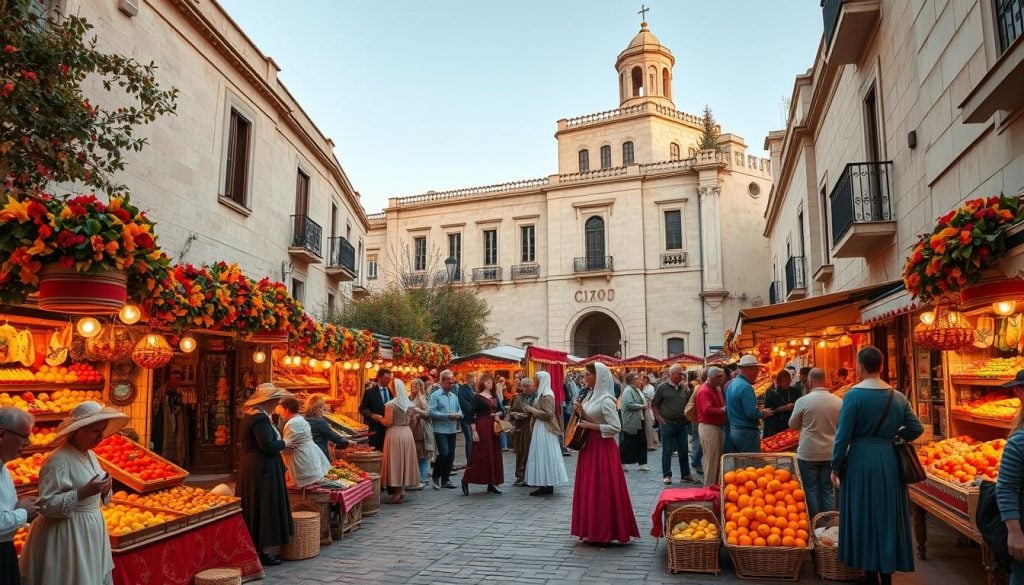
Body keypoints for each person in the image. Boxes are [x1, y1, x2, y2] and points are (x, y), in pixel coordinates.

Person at [831, 346, 923, 585]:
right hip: (889, 460)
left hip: (861, 461)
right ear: (881, 366)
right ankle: (887, 574)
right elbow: (916, 429)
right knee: (887, 515)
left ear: (860, 366)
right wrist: (895, 437)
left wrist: (835, 466)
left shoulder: (853, 396)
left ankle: (869, 574)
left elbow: (843, 437)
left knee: (864, 514)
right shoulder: (898, 396)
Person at [19, 402, 126, 584]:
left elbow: (97, 494)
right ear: (78, 431)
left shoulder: (90, 455)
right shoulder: (59, 461)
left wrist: (104, 489)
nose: (100, 437)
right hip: (67, 534)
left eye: (102, 430)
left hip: (89, 531)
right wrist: (82, 493)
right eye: (95, 431)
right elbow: (45, 505)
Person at [570, 363, 640, 544]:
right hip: (590, 446)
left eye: (588, 375)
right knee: (590, 487)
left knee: (602, 488)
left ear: (598, 377)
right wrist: (581, 412)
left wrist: (590, 425)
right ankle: (591, 529)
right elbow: (591, 418)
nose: (585, 378)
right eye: (584, 375)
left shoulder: (607, 400)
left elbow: (616, 427)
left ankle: (604, 531)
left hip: (602, 448)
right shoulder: (591, 396)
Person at [237, 383, 293, 566]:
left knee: (257, 506)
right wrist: (285, 443)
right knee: (264, 507)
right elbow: (267, 446)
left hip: (255, 467)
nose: (278, 403)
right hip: (261, 469)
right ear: (268, 400)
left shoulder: (253, 415)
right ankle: (264, 551)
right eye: (276, 399)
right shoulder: (259, 418)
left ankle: (258, 547)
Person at [789, 368, 841, 519]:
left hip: (808, 452)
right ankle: (827, 522)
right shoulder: (838, 401)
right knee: (827, 488)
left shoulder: (803, 401)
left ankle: (814, 522)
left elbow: (793, 425)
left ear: (810, 382)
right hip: (830, 451)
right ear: (826, 381)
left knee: (810, 489)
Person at [0, 408, 36, 585]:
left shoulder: (3, 468)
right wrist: (23, 512)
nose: (28, 442)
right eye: (24, 436)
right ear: (2, 435)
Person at [997, 370, 1024, 584]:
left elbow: (1005, 487)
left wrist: (1015, 533)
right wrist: (1015, 533)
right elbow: (1006, 488)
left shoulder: (1018, 441)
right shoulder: (1018, 441)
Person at [524, 371, 569, 495]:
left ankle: (547, 484)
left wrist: (532, 409)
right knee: (543, 454)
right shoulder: (543, 394)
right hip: (541, 427)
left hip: (545, 428)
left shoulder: (546, 395)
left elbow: (548, 415)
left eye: (536, 380)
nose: (534, 382)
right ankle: (545, 483)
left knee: (544, 454)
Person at [652, 364, 697, 484]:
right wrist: (660, 419)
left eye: (682, 374)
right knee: (667, 450)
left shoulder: (684, 388)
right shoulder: (662, 387)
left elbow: (689, 403)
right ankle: (667, 475)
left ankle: (685, 474)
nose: (682, 376)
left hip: (682, 424)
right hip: (668, 423)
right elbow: (654, 404)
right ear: (671, 375)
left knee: (683, 450)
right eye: (679, 374)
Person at [461, 374, 504, 495]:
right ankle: (466, 479)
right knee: (481, 455)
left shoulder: (495, 396)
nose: (490, 383)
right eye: (487, 381)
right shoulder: (477, 397)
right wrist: (474, 431)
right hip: (482, 427)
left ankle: (492, 483)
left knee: (493, 455)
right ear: (483, 383)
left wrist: (498, 414)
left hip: (494, 428)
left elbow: (502, 411)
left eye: (491, 381)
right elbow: (471, 415)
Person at [380, 379, 420, 504]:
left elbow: (388, 422)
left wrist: (378, 418)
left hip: (395, 434)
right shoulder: (410, 404)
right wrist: (408, 431)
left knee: (395, 462)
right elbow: (414, 421)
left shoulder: (391, 405)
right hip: (406, 433)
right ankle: (401, 490)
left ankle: (397, 492)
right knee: (404, 461)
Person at [277, 397, 331, 488]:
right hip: (308, 453)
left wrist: (280, 450)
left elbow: (289, 446)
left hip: (300, 456)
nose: (281, 414)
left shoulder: (292, 423)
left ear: (286, 410)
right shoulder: (301, 420)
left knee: (301, 485)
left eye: (281, 410)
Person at [726, 355, 773, 453]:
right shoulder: (746, 387)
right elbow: (751, 413)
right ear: (748, 370)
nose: (758, 373)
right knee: (751, 464)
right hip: (747, 433)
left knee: (741, 464)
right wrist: (763, 413)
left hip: (735, 431)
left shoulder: (732, 384)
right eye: (756, 370)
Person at [428, 370, 462, 489]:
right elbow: (431, 412)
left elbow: (460, 410)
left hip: (452, 429)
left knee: (451, 455)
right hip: (440, 429)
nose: (451, 385)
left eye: (452, 382)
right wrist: (447, 415)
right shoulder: (435, 395)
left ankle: (446, 480)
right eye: (449, 382)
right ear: (442, 381)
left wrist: (459, 415)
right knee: (444, 453)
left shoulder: (454, 396)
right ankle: (436, 476)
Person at [695, 367, 727, 487]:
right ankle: (709, 487)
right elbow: (707, 409)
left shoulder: (716, 389)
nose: (721, 379)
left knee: (716, 458)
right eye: (719, 377)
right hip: (708, 427)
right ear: (713, 378)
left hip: (716, 426)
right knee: (711, 458)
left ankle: (715, 486)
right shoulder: (704, 390)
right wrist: (723, 410)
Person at [151, 368, 188, 466]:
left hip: (176, 420)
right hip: (163, 421)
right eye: (175, 379)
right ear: (169, 380)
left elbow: (180, 408)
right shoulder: (162, 392)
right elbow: (155, 407)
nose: (177, 381)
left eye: (179, 379)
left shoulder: (179, 393)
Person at [303, 393, 350, 461]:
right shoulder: (320, 422)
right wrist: (347, 442)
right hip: (319, 453)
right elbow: (334, 437)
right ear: (318, 408)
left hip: (306, 454)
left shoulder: (303, 419)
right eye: (323, 407)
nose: (324, 409)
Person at [617, 373, 649, 472]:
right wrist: (642, 406)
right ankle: (621, 463)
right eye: (637, 378)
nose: (639, 380)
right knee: (628, 442)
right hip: (631, 421)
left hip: (639, 420)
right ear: (631, 380)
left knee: (642, 442)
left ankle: (642, 463)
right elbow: (629, 404)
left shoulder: (637, 390)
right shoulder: (628, 391)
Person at [409, 378, 435, 490]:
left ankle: (423, 477)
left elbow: (428, 413)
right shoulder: (409, 398)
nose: (412, 387)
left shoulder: (422, 399)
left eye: (414, 385)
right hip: (412, 428)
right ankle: (417, 477)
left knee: (423, 453)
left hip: (422, 429)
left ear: (420, 386)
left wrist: (418, 412)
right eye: (411, 385)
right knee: (416, 453)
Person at [510, 377, 536, 487]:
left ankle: (532, 475)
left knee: (530, 451)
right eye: (524, 386)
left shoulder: (536, 397)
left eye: (528, 386)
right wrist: (515, 415)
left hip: (531, 426)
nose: (526, 388)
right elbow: (511, 411)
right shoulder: (518, 397)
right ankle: (520, 476)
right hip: (520, 427)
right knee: (520, 452)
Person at [359, 368, 393, 451]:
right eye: (387, 378)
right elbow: (362, 408)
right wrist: (371, 415)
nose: (389, 380)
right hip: (375, 429)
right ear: (380, 378)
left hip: (389, 429)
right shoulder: (370, 392)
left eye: (390, 378)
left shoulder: (392, 392)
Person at [762, 369, 802, 439]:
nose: (785, 383)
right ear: (778, 381)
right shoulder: (771, 393)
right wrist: (782, 408)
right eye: (782, 381)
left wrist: (794, 405)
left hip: (791, 423)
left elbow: (801, 405)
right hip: (776, 425)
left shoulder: (794, 391)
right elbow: (767, 411)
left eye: (787, 381)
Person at [456, 373, 478, 466]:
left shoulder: (472, 389)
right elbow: (464, 403)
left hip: (473, 418)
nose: (473, 380)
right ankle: (470, 460)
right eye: (473, 378)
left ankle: (473, 459)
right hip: (466, 418)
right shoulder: (463, 389)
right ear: (469, 378)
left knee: (473, 439)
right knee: (469, 439)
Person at [642, 373, 660, 450]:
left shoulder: (651, 387)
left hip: (649, 406)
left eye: (646, 379)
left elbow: (652, 397)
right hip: (644, 407)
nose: (644, 380)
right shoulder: (641, 387)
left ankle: (653, 441)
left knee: (651, 423)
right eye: (643, 379)